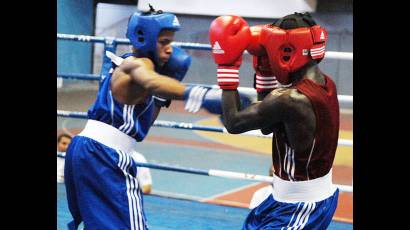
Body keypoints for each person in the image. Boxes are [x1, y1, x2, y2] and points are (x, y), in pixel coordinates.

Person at [64, 5, 220, 229]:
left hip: (87, 149)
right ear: (143, 38)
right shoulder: (137, 64)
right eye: (164, 42)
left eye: (171, 42)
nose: (169, 49)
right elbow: (151, 81)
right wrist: (198, 95)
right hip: (106, 156)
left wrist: (160, 99)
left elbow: (142, 128)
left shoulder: (126, 64)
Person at [209, 12, 340, 229]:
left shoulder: (289, 99)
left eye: (272, 49)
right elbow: (268, 126)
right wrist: (265, 72)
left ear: (287, 51)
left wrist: (227, 67)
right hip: (291, 199)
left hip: (300, 206)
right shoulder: (326, 84)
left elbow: (233, 123)